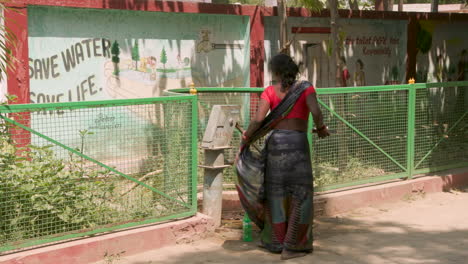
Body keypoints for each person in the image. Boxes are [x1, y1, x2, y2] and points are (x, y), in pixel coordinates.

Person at [238, 53, 330, 260]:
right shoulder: (306, 88)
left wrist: (247, 136)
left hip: (276, 146)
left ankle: (276, 242)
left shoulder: (269, 91)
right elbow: (316, 112)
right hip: (298, 146)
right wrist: (321, 128)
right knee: (300, 195)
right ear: (294, 70)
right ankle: (293, 247)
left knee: (276, 195)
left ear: (276, 72)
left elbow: (258, 120)